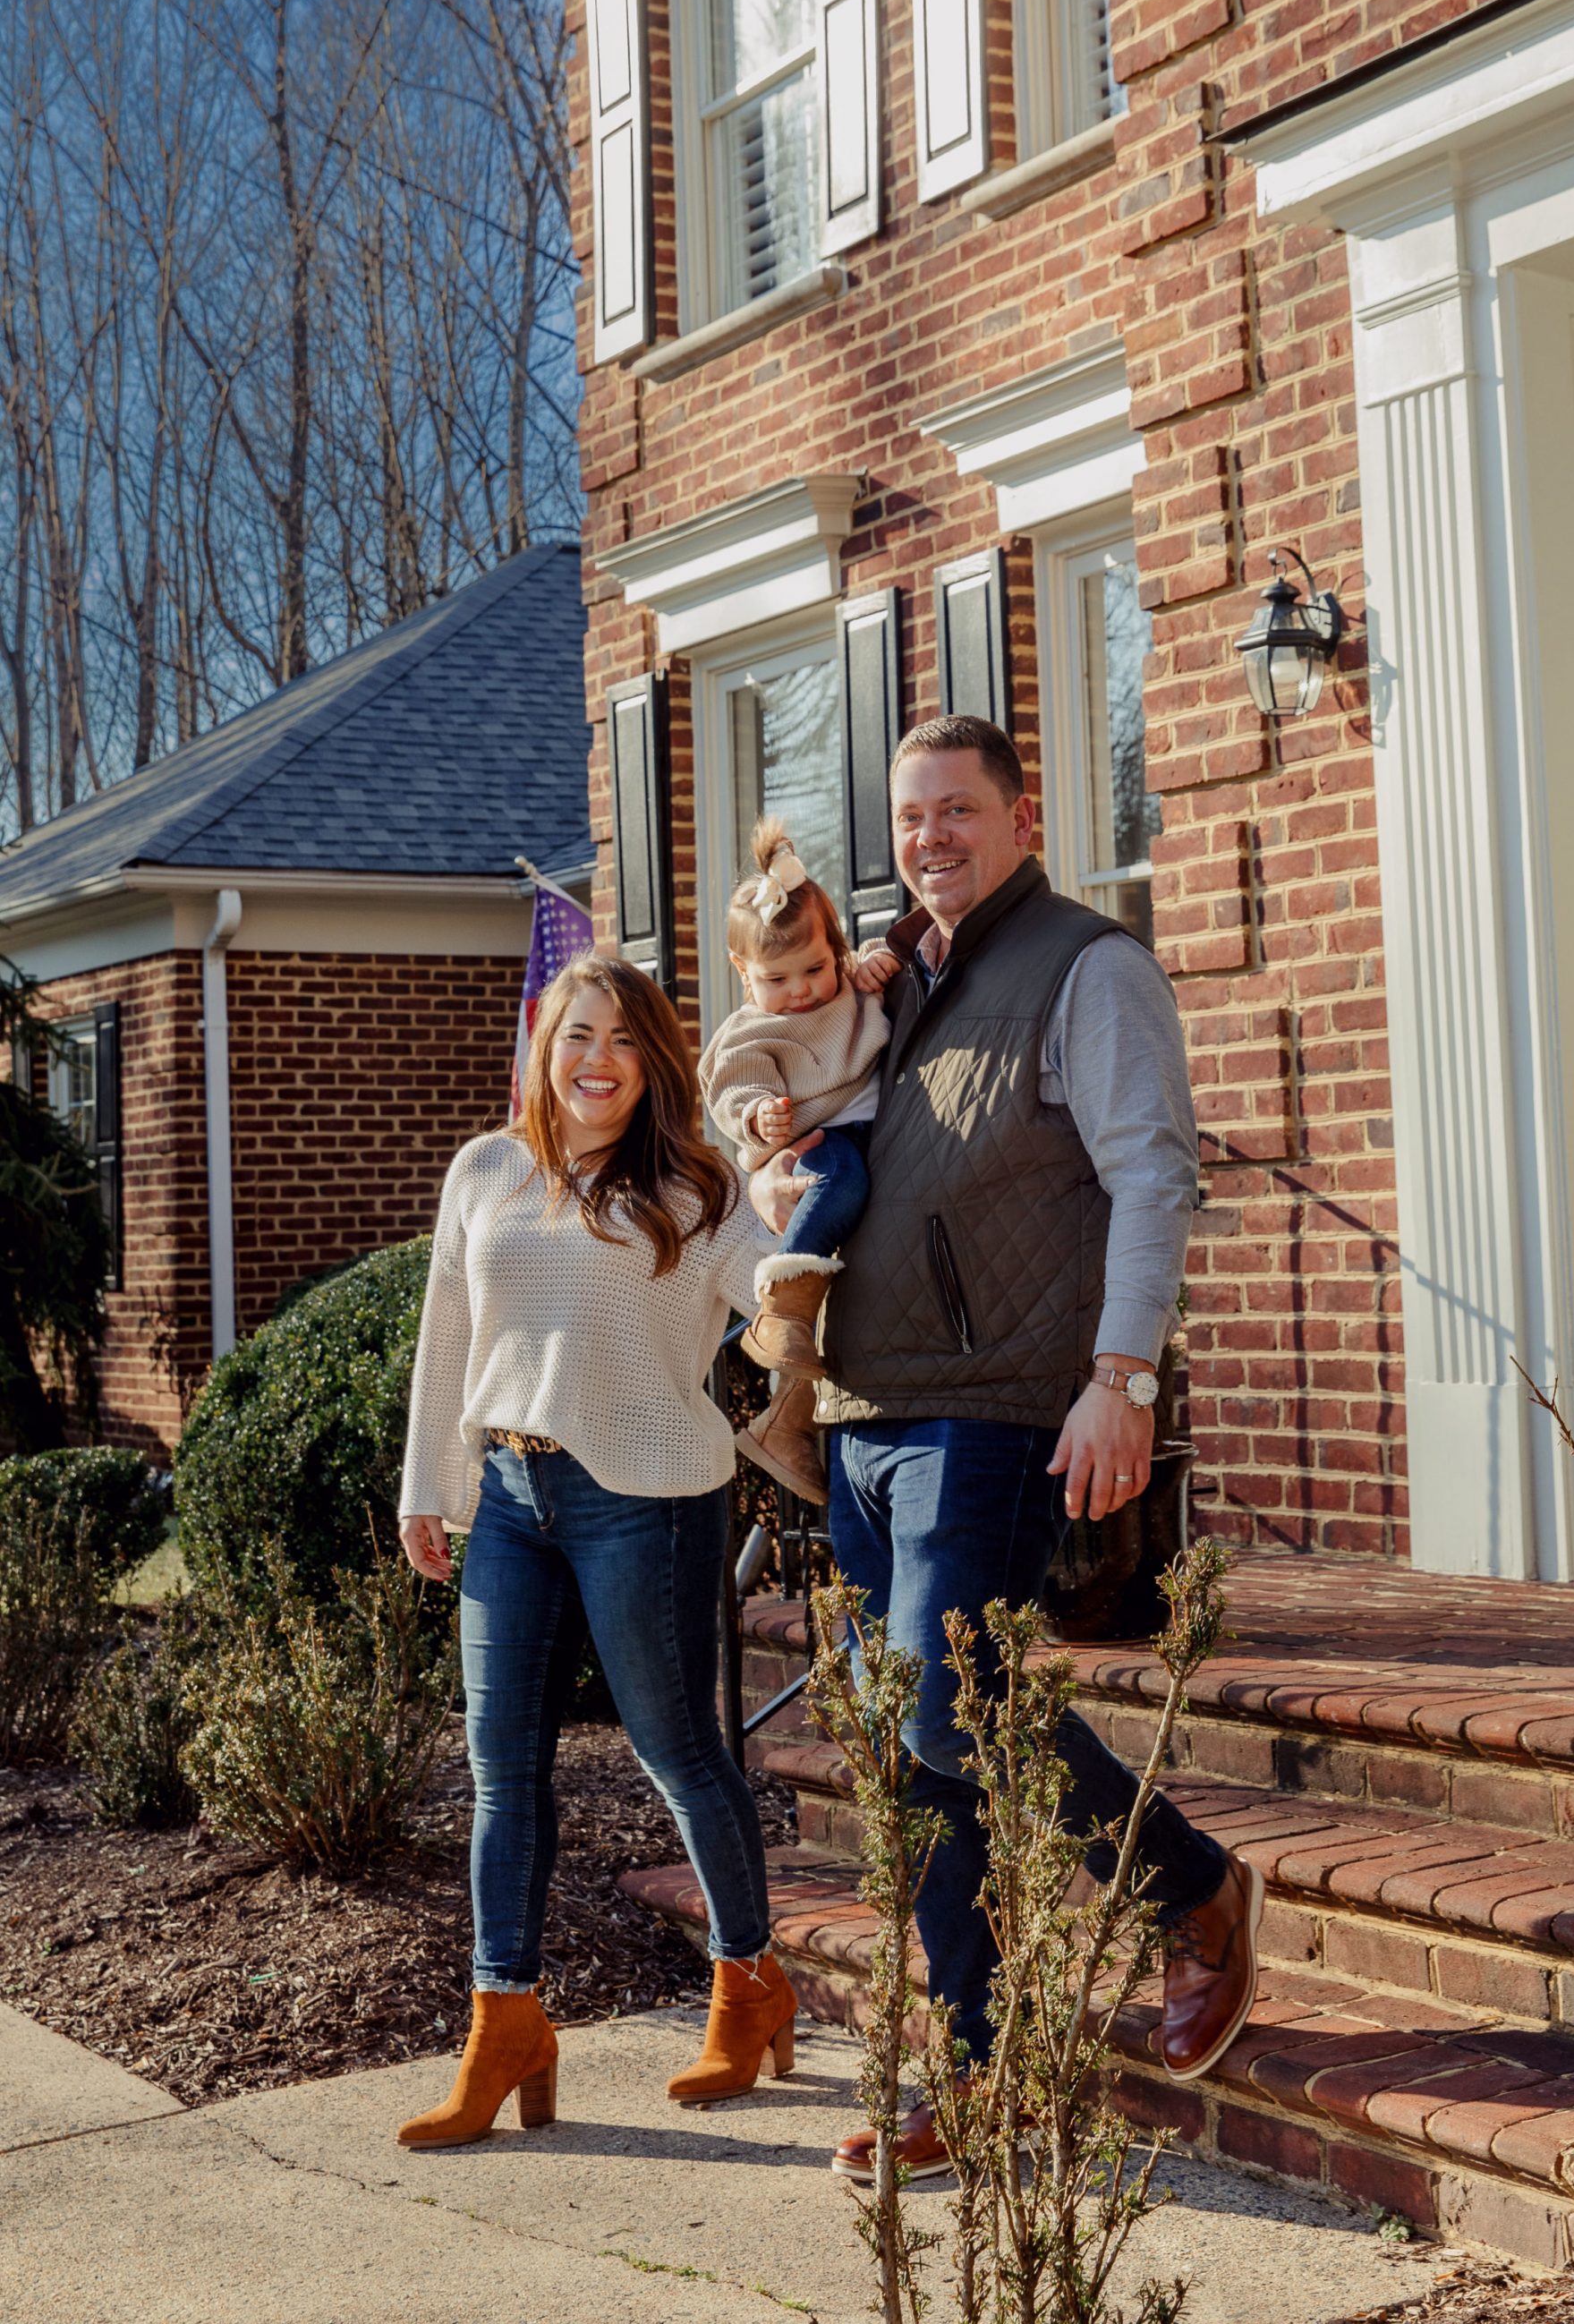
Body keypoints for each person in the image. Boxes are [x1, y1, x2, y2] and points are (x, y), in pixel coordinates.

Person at [748, 716, 1263, 2185]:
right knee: (922, 1767)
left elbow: (1151, 1167)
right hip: (862, 1412)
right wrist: (787, 1131)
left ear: (1020, 815)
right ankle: (973, 2077)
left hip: (996, 1403)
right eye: (911, 817)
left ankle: (1191, 1886)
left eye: (958, 811)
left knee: (937, 1714)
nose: (930, 838)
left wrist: (1123, 1374)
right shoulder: (895, 981)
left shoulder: (1088, 966)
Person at [396, 952, 797, 2147]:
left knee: (677, 1751)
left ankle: (748, 1980)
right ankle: (504, 2018)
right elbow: (446, 1331)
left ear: (653, 1061)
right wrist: (434, 1484)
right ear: (542, 1046)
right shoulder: (487, 1171)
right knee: (501, 1771)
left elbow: (779, 1301)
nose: (597, 1061)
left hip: (653, 1497)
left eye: (623, 1040)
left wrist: (792, 1207)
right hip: (513, 1497)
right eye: (577, 1036)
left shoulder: (697, 1190)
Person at [698, 815, 900, 1505]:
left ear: (834, 944)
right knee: (842, 1177)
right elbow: (735, 1089)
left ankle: (783, 1421)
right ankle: (780, 1309)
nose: (803, 991)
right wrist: (761, 1115)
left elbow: (874, 975)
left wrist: (869, 966)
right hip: (816, 1151)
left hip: (884, 1139)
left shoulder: (850, 985)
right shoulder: (754, 1030)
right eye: (777, 979)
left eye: (815, 967)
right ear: (742, 974)